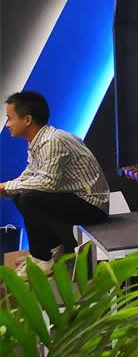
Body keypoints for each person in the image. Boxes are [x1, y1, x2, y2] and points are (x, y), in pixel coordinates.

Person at [0, 91, 109, 274]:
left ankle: (42, 259)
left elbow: (47, 183)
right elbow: (31, 174)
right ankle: (48, 252)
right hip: (76, 199)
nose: (7, 124)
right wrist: (8, 187)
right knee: (21, 194)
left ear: (27, 120)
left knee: (29, 198)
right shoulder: (40, 140)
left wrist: (8, 186)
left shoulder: (52, 141)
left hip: (93, 206)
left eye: (9, 118)